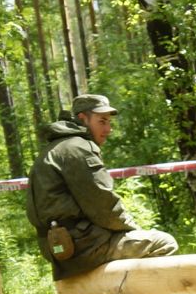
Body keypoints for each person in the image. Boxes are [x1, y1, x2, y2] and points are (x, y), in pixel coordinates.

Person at [26, 93, 178, 277]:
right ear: (83, 119)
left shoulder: (54, 148)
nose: (108, 129)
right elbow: (105, 208)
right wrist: (134, 229)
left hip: (58, 247)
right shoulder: (80, 148)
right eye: (102, 121)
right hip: (83, 246)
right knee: (164, 243)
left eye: (109, 122)